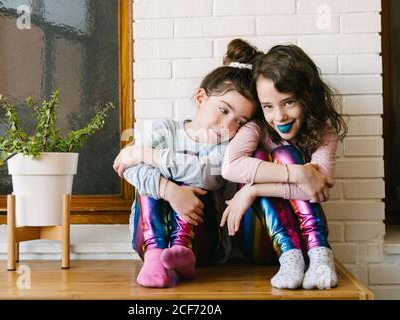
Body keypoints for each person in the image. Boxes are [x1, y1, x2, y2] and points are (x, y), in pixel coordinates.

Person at [112, 39, 262, 288]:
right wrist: (169, 191)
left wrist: (145, 154)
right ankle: (155, 254)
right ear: (201, 98)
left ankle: (181, 251)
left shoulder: (227, 146)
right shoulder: (162, 129)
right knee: (153, 180)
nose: (228, 126)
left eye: (240, 121)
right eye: (224, 111)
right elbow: (128, 168)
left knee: (187, 173)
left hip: (204, 243)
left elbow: (208, 175)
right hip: (146, 238)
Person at [221, 41, 348, 290]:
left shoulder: (324, 135)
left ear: (307, 97)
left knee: (286, 153)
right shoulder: (256, 128)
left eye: (288, 102)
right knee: (272, 154)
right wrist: (299, 173)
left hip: (305, 242)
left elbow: (316, 188)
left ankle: (320, 258)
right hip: (259, 239)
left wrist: (253, 189)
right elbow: (230, 167)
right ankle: (294, 256)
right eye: (268, 106)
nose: (279, 116)